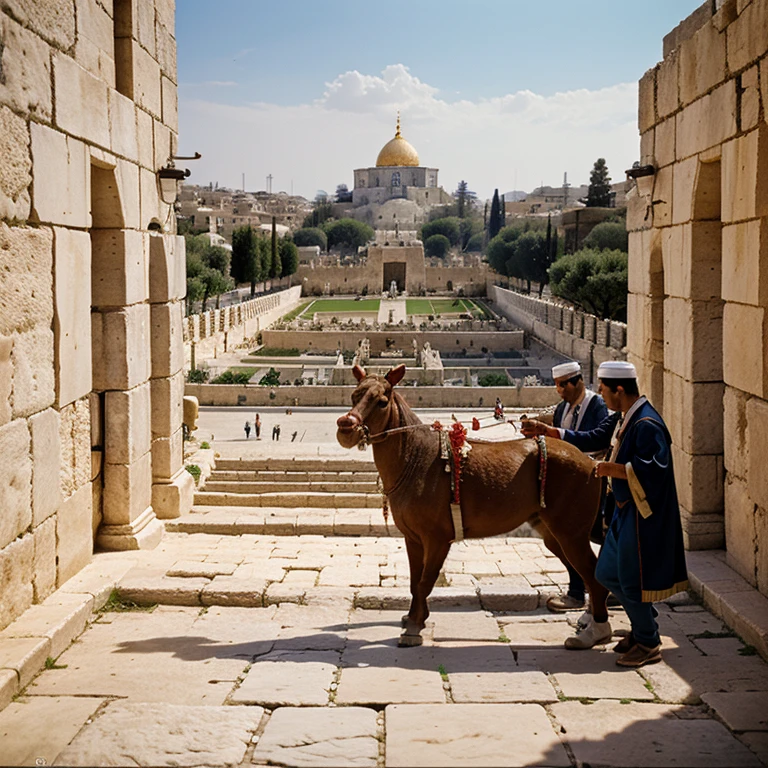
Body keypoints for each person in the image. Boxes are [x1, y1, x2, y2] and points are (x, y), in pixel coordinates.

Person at [522, 361, 688, 665]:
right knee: (606, 574)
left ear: (619, 390)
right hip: (621, 512)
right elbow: (593, 439)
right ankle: (643, 627)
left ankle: (648, 642)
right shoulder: (625, 418)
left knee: (627, 579)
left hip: (641, 516)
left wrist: (613, 469)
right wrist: (550, 431)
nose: (600, 394)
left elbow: (656, 471)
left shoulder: (646, 424)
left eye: (604, 389)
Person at [545, 361, 609, 613]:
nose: (559, 391)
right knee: (558, 538)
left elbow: (598, 438)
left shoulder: (597, 406)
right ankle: (581, 587)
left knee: (578, 537)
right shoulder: (562, 409)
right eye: (556, 386)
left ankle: (588, 590)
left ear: (576, 382)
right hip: (570, 486)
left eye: (562, 385)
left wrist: (556, 433)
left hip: (596, 482)